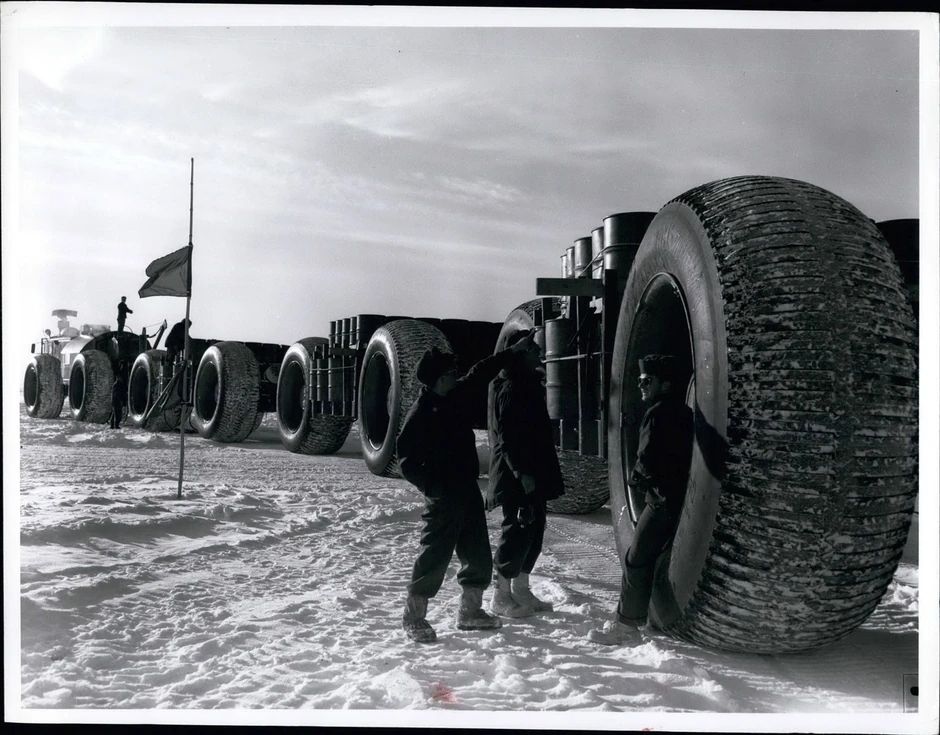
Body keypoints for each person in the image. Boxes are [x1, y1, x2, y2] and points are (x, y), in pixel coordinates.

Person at [397, 332, 536, 643]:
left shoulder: (454, 395)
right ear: (435, 380)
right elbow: (406, 460)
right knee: (434, 555)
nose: (454, 378)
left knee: (477, 553)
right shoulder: (420, 413)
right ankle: (413, 617)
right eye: (448, 375)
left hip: (467, 489)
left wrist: (511, 351)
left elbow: (480, 372)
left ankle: (469, 612)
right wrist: (434, 488)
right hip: (444, 495)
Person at [588, 354, 693, 645]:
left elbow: (645, 459)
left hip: (660, 499)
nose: (641, 386)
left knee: (636, 558)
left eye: (648, 381)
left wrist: (636, 479)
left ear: (666, 384)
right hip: (680, 497)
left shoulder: (656, 413)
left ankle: (627, 627)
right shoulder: (684, 412)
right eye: (639, 381)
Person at [486, 329, 564, 618]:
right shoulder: (510, 388)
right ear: (518, 354)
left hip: (532, 472)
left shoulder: (528, 385)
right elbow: (507, 439)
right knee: (516, 532)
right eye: (532, 348)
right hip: (516, 475)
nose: (539, 352)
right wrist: (522, 473)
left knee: (533, 530)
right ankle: (500, 596)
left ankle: (521, 590)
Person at [110, 361, 127, 429]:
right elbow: (116, 394)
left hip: (116, 401)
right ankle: (115, 425)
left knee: (115, 413)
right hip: (116, 401)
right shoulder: (117, 385)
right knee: (117, 414)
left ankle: (114, 425)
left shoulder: (118, 384)